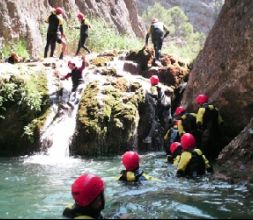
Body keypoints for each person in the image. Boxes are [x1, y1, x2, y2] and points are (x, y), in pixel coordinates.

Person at [143, 75, 172, 145]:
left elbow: (155, 95)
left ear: (151, 82)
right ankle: (166, 139)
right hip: (167, 104)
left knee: (155, 121)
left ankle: (149, 138)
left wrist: (147, 93)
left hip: (161, 105)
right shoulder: (160, 86)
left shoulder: (153, 87)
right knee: (166, 121)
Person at [195, 94, 224, 161]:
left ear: (200, 103)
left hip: (206, 134)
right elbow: (221, 122)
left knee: (205, 152)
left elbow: (198, 122)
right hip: (216, 133)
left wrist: (199, 130)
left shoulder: (201, 110)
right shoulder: (215, 109)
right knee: (215, 152)